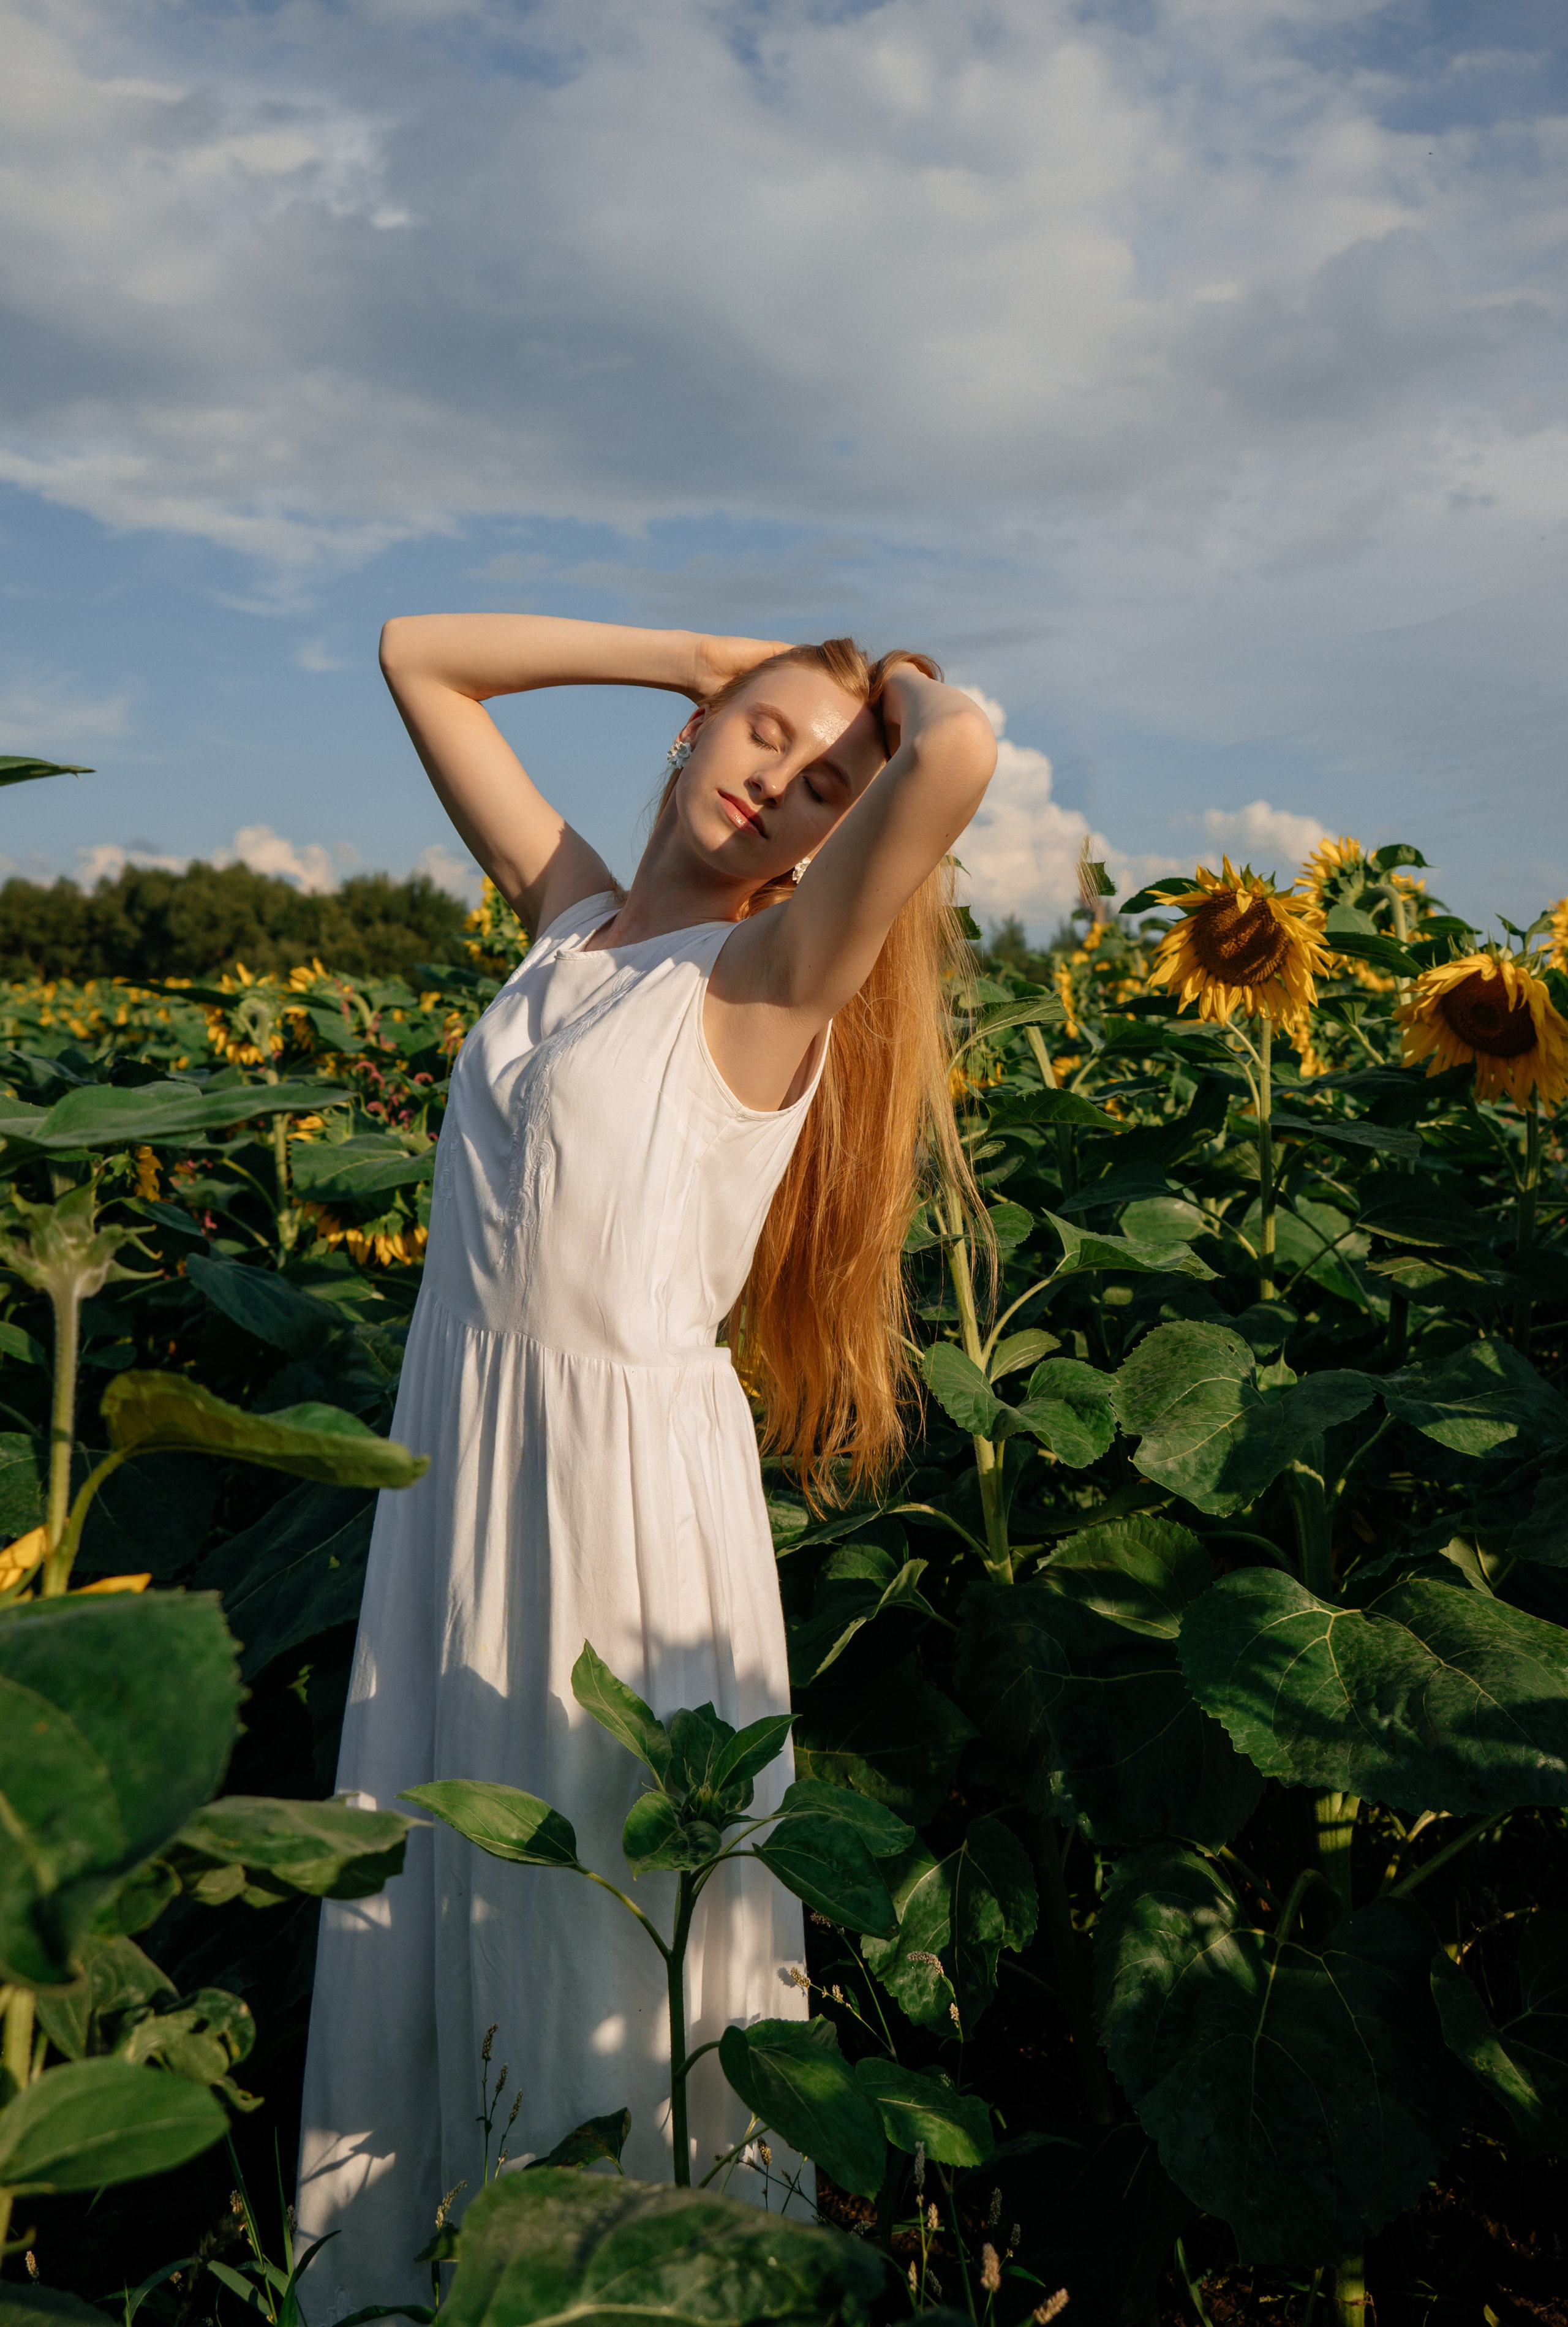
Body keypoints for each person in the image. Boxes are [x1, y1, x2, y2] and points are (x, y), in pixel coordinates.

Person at [295, 617, 997, 2314]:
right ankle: (433, 2273)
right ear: (698, 730)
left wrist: (872, 718)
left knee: (603, 1917)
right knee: (455, 1864)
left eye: (831, 781)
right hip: (463, 1474)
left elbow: (959, 750)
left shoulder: (772, 979)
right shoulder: (578, 923)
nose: (784, 782)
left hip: (617, 1515)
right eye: (765, 735)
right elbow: (419, 660)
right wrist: (694, 652)